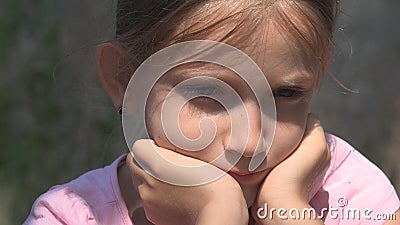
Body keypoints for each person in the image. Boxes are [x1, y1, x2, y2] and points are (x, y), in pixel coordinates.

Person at [24, 0, 399, 224]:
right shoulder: (71, 216)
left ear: (317, 75)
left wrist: (286, 208)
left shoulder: (357, 197)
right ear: (125, 78)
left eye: (286, 93)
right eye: (207, 94)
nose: (251, 143)